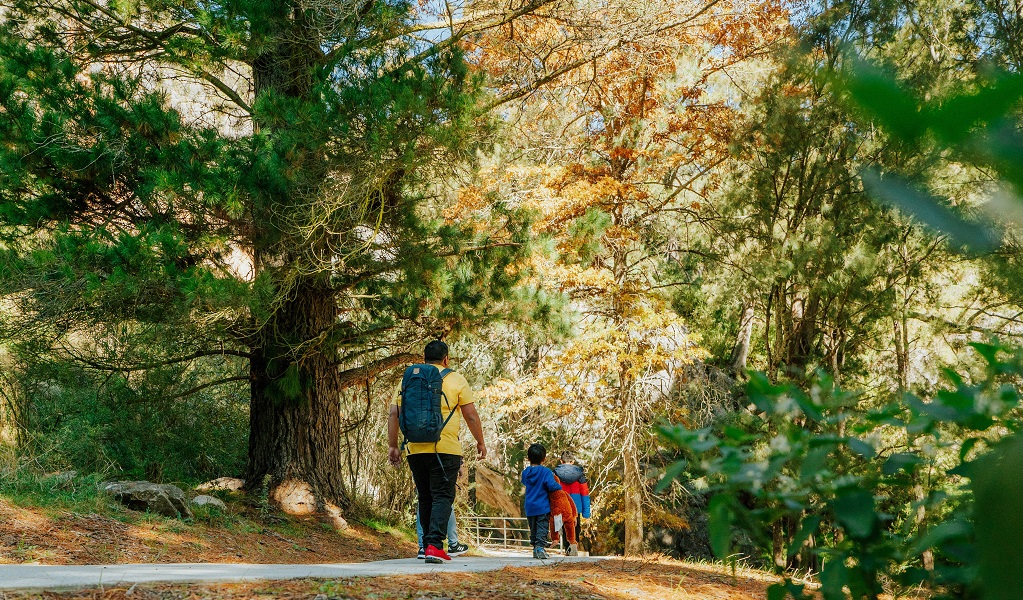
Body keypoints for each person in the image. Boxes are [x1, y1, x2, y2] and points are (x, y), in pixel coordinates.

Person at [388, 340, 486, 565]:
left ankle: (425, 546)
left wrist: (393, 445)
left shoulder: (410, 379)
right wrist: (480, 442)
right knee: (443, 495)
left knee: (425, 496)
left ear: (424, 359)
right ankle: (434, 546)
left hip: (415, 447)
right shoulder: (455, 379)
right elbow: (470, 415)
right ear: (446, 359)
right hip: (446, 448)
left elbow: (394, 414)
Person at [521, 442, 562, 560]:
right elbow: (551, 485)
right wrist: (559, 487)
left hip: (529, 506)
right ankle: (539, 548)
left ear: (528, 458)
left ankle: (535, 548)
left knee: (533, 527)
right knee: (542, 527)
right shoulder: (546, 472)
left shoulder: (525, 472)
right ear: (544, 459)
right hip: (543, 506)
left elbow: (524, 482)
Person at [553, 450, 591, 550]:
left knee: (563, 527)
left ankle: (567, 548)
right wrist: (586, 513)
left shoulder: (555, 474)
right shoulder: (580, 475)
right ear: (573, 461)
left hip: (561, 505)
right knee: (575, 527)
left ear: (561, 461)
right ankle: (573, 546)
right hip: (576, 507)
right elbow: (585, 495)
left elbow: (551, 491)